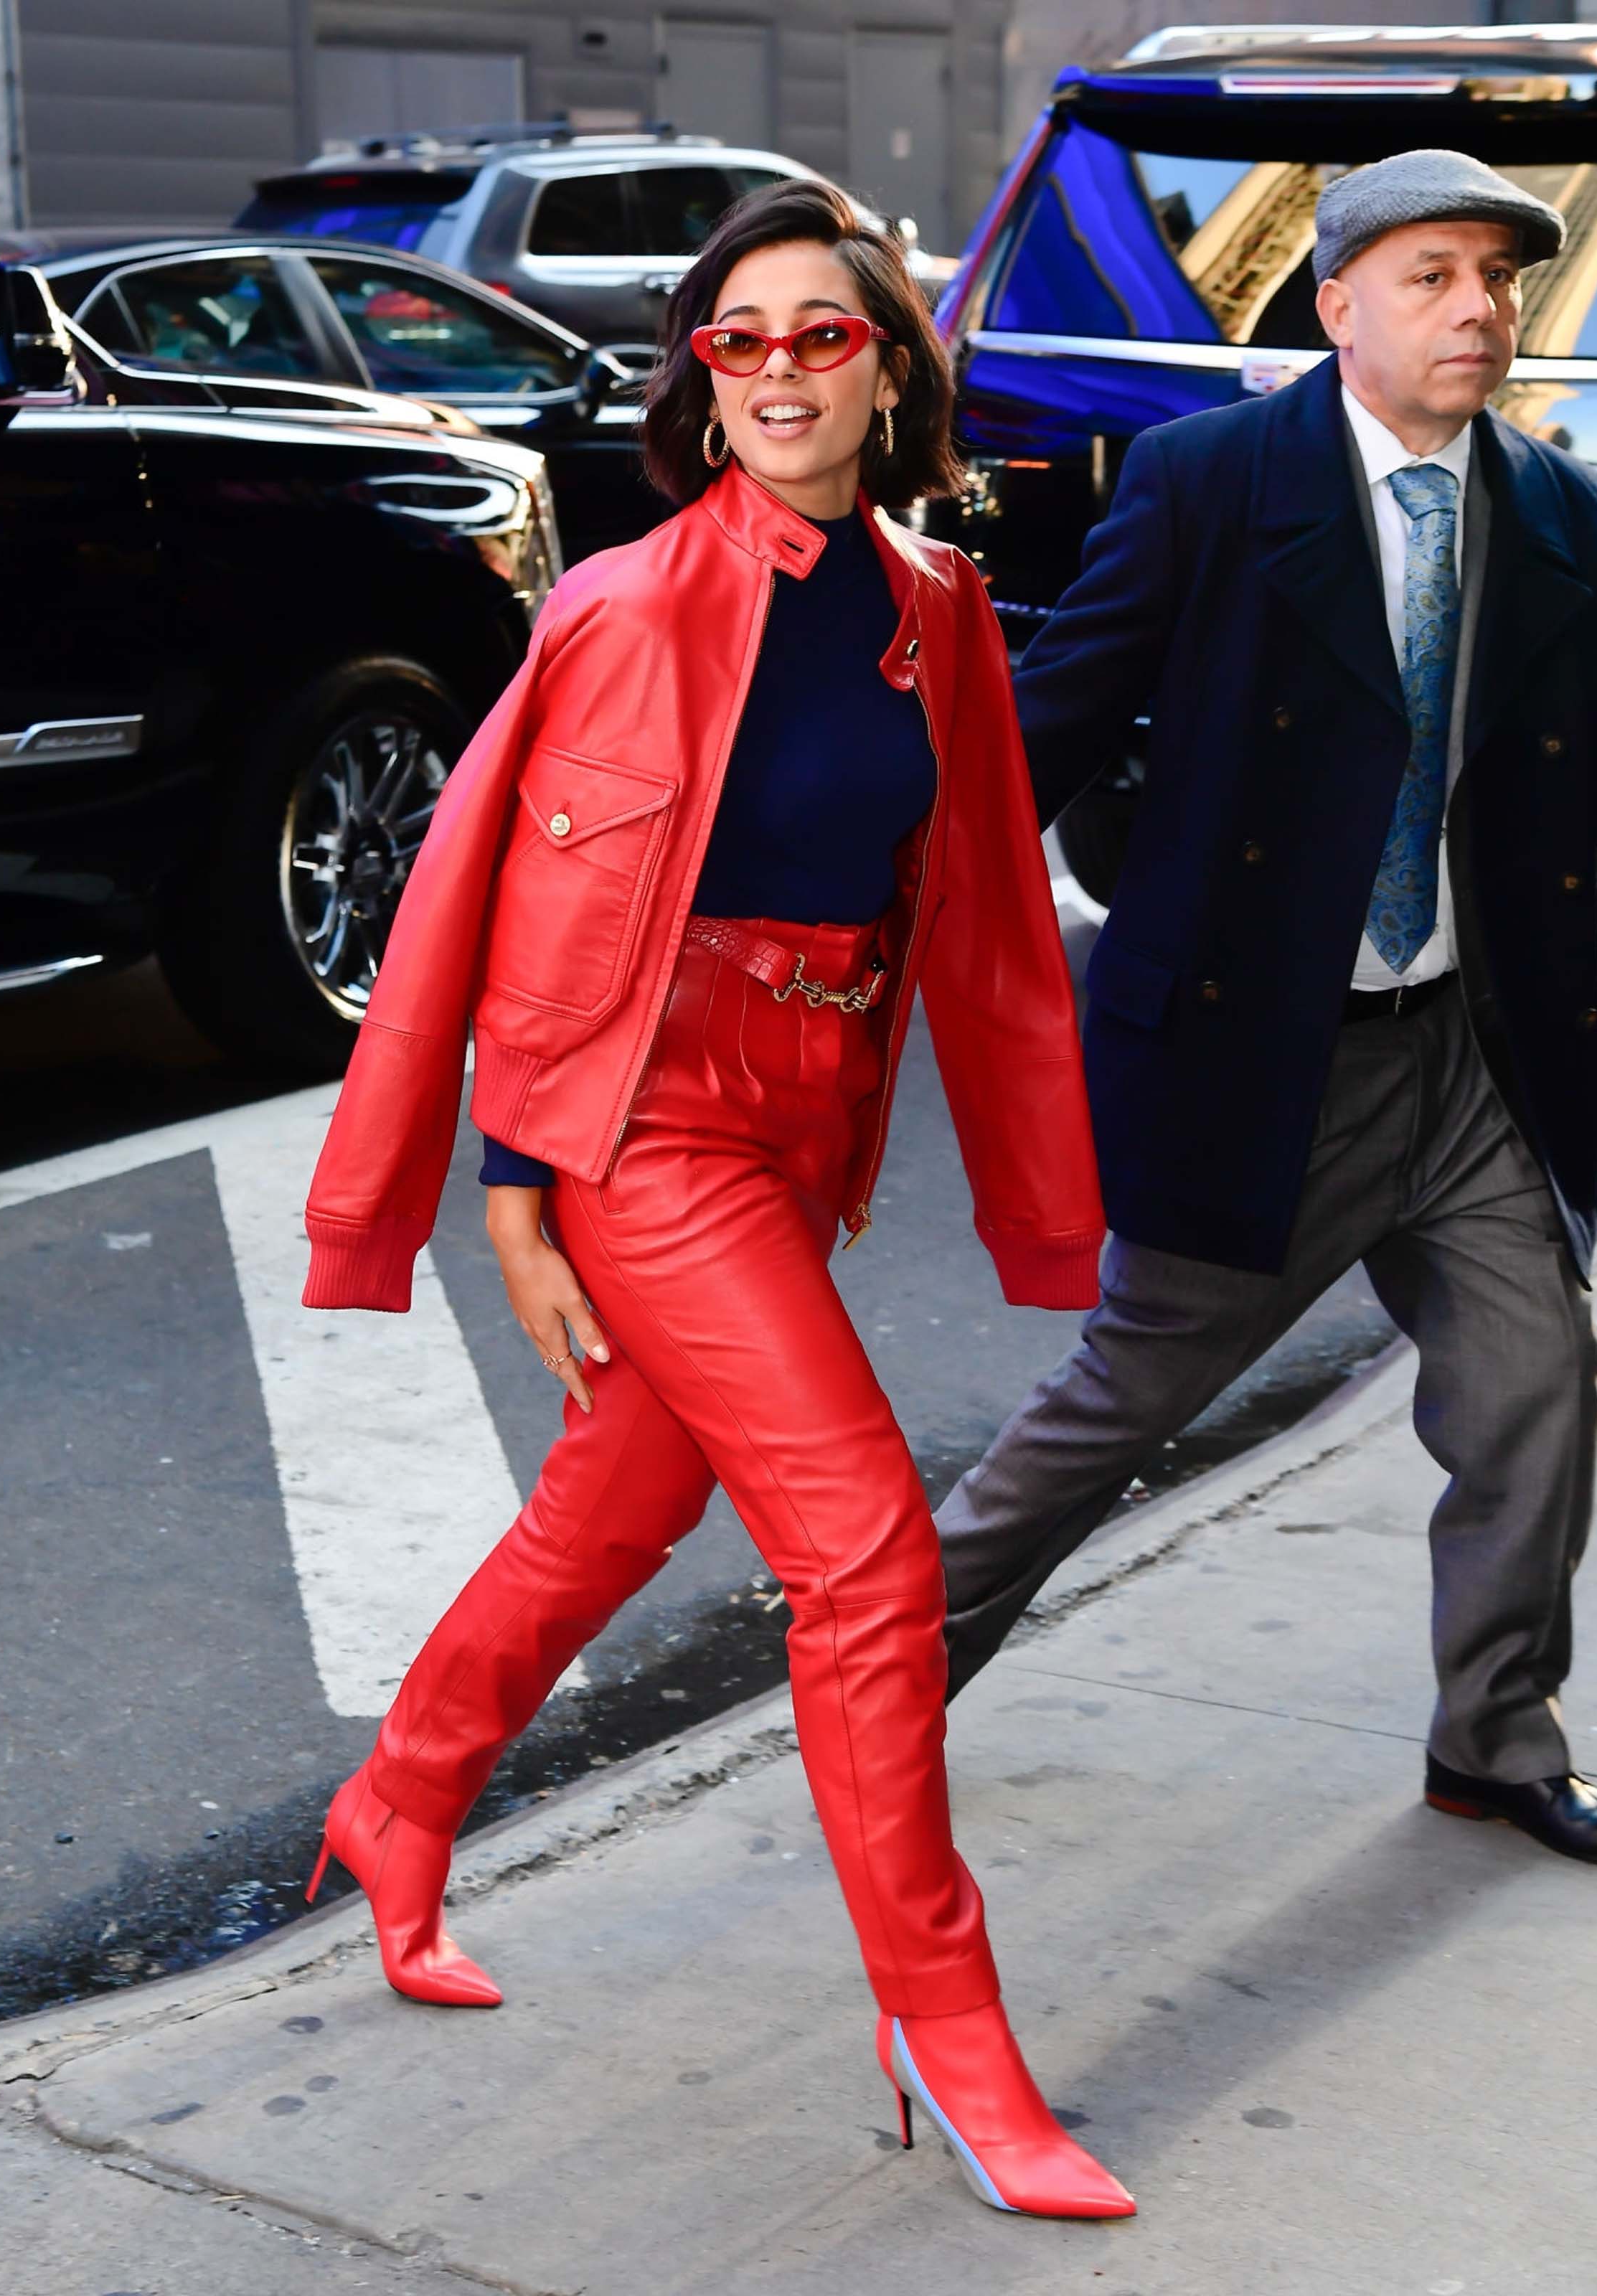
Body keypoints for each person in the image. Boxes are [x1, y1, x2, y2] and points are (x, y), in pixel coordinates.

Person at [299, 179, 1135, 2221]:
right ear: (701, 376)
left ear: (888, 369)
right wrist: (518, 1180)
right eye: (736, 338)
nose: (773, 367)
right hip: (648, 1120)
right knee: (863, 1555)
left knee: (625, 1498)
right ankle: (943, 2030)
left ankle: (398, 1805)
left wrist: (1046, 1184)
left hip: (799, 1113)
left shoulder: (938, 617)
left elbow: (995, 931)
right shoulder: (626, 605)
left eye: (818, 336)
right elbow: (511, 898)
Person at [937, 149, 1597, 1864]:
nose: (1478, 307)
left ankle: (1492, 1736)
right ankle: (879, 1662)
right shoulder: (1208, 480)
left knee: (1535, 1383)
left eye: (1496, 279)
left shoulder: (1552, 508)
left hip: (1462, 1050)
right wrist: (885, 928)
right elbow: (1045, 725)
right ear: (1334, 306)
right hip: (1261, 1050)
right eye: (1431, 274)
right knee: (1117, 1403)